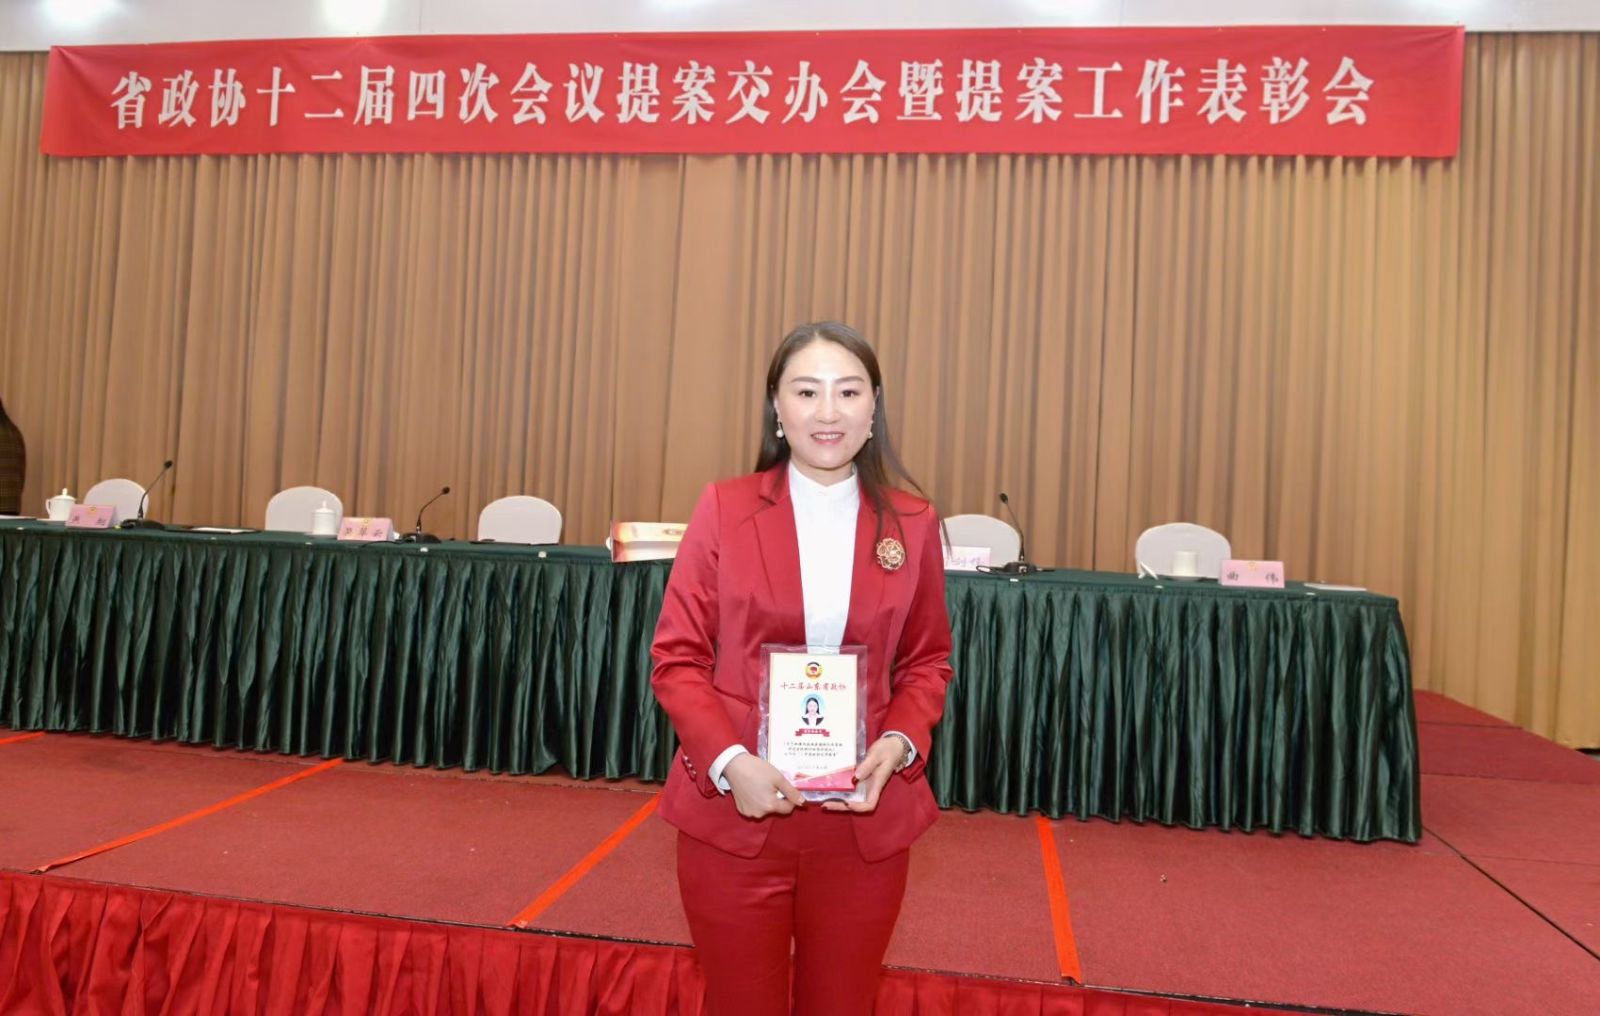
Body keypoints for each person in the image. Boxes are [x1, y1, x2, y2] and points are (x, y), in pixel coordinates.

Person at [651, 321, 954, 1016]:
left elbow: (928, 659)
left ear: (873, 408)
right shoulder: (725, 508)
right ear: (777, 407)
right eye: (807, 391)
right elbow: (678, 656)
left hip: (861, 824)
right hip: (736, 816)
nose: (828, 412)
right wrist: (730, 763)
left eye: (848, 391)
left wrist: (897, 744)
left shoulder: (911, 522)